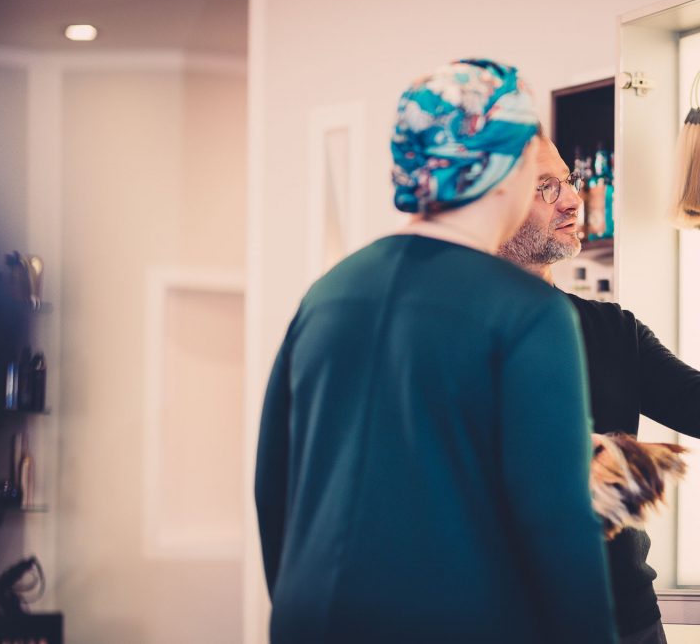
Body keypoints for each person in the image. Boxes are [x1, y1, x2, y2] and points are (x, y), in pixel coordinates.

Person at [255, 60, 617, 644]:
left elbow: (274, 485)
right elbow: (558, 526)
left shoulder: (327, 296)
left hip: (311, 617)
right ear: (505, 167)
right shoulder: (530, 313)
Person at [499, 136, 700, 644]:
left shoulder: (613, 330)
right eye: (546, 188)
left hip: (626, 622)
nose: (569, 199)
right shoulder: (450, 338)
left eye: (567, 181)